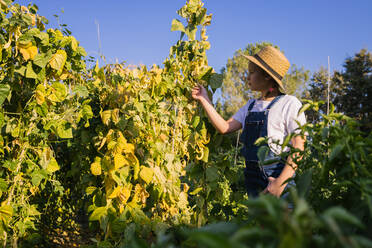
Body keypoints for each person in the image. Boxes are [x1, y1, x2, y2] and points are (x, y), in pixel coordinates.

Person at [191, 46, 306, 198]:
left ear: (266, 76)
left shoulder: (289, 103)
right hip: (253, 183)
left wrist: (280, 183)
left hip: (278, 180)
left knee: (284, 221)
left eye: (251, 72)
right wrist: (204, 99)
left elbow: (299, 145)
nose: (247, 77)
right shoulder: (250, 106)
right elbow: (224, 127)